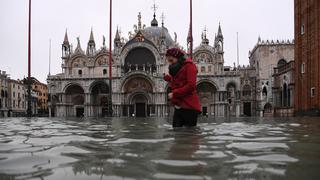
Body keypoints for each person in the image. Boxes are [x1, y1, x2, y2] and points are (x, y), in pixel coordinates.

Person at [164, 48, 201, 127]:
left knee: (189, 135)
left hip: (189, 107)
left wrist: (174, 94)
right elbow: (180, 81)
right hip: (179, 106)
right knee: (176, 133)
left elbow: (191, 86)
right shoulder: (178, 68)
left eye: (171, 60)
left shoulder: (190, 66)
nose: (170, 64)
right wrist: (168, 78)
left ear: (177, 58)